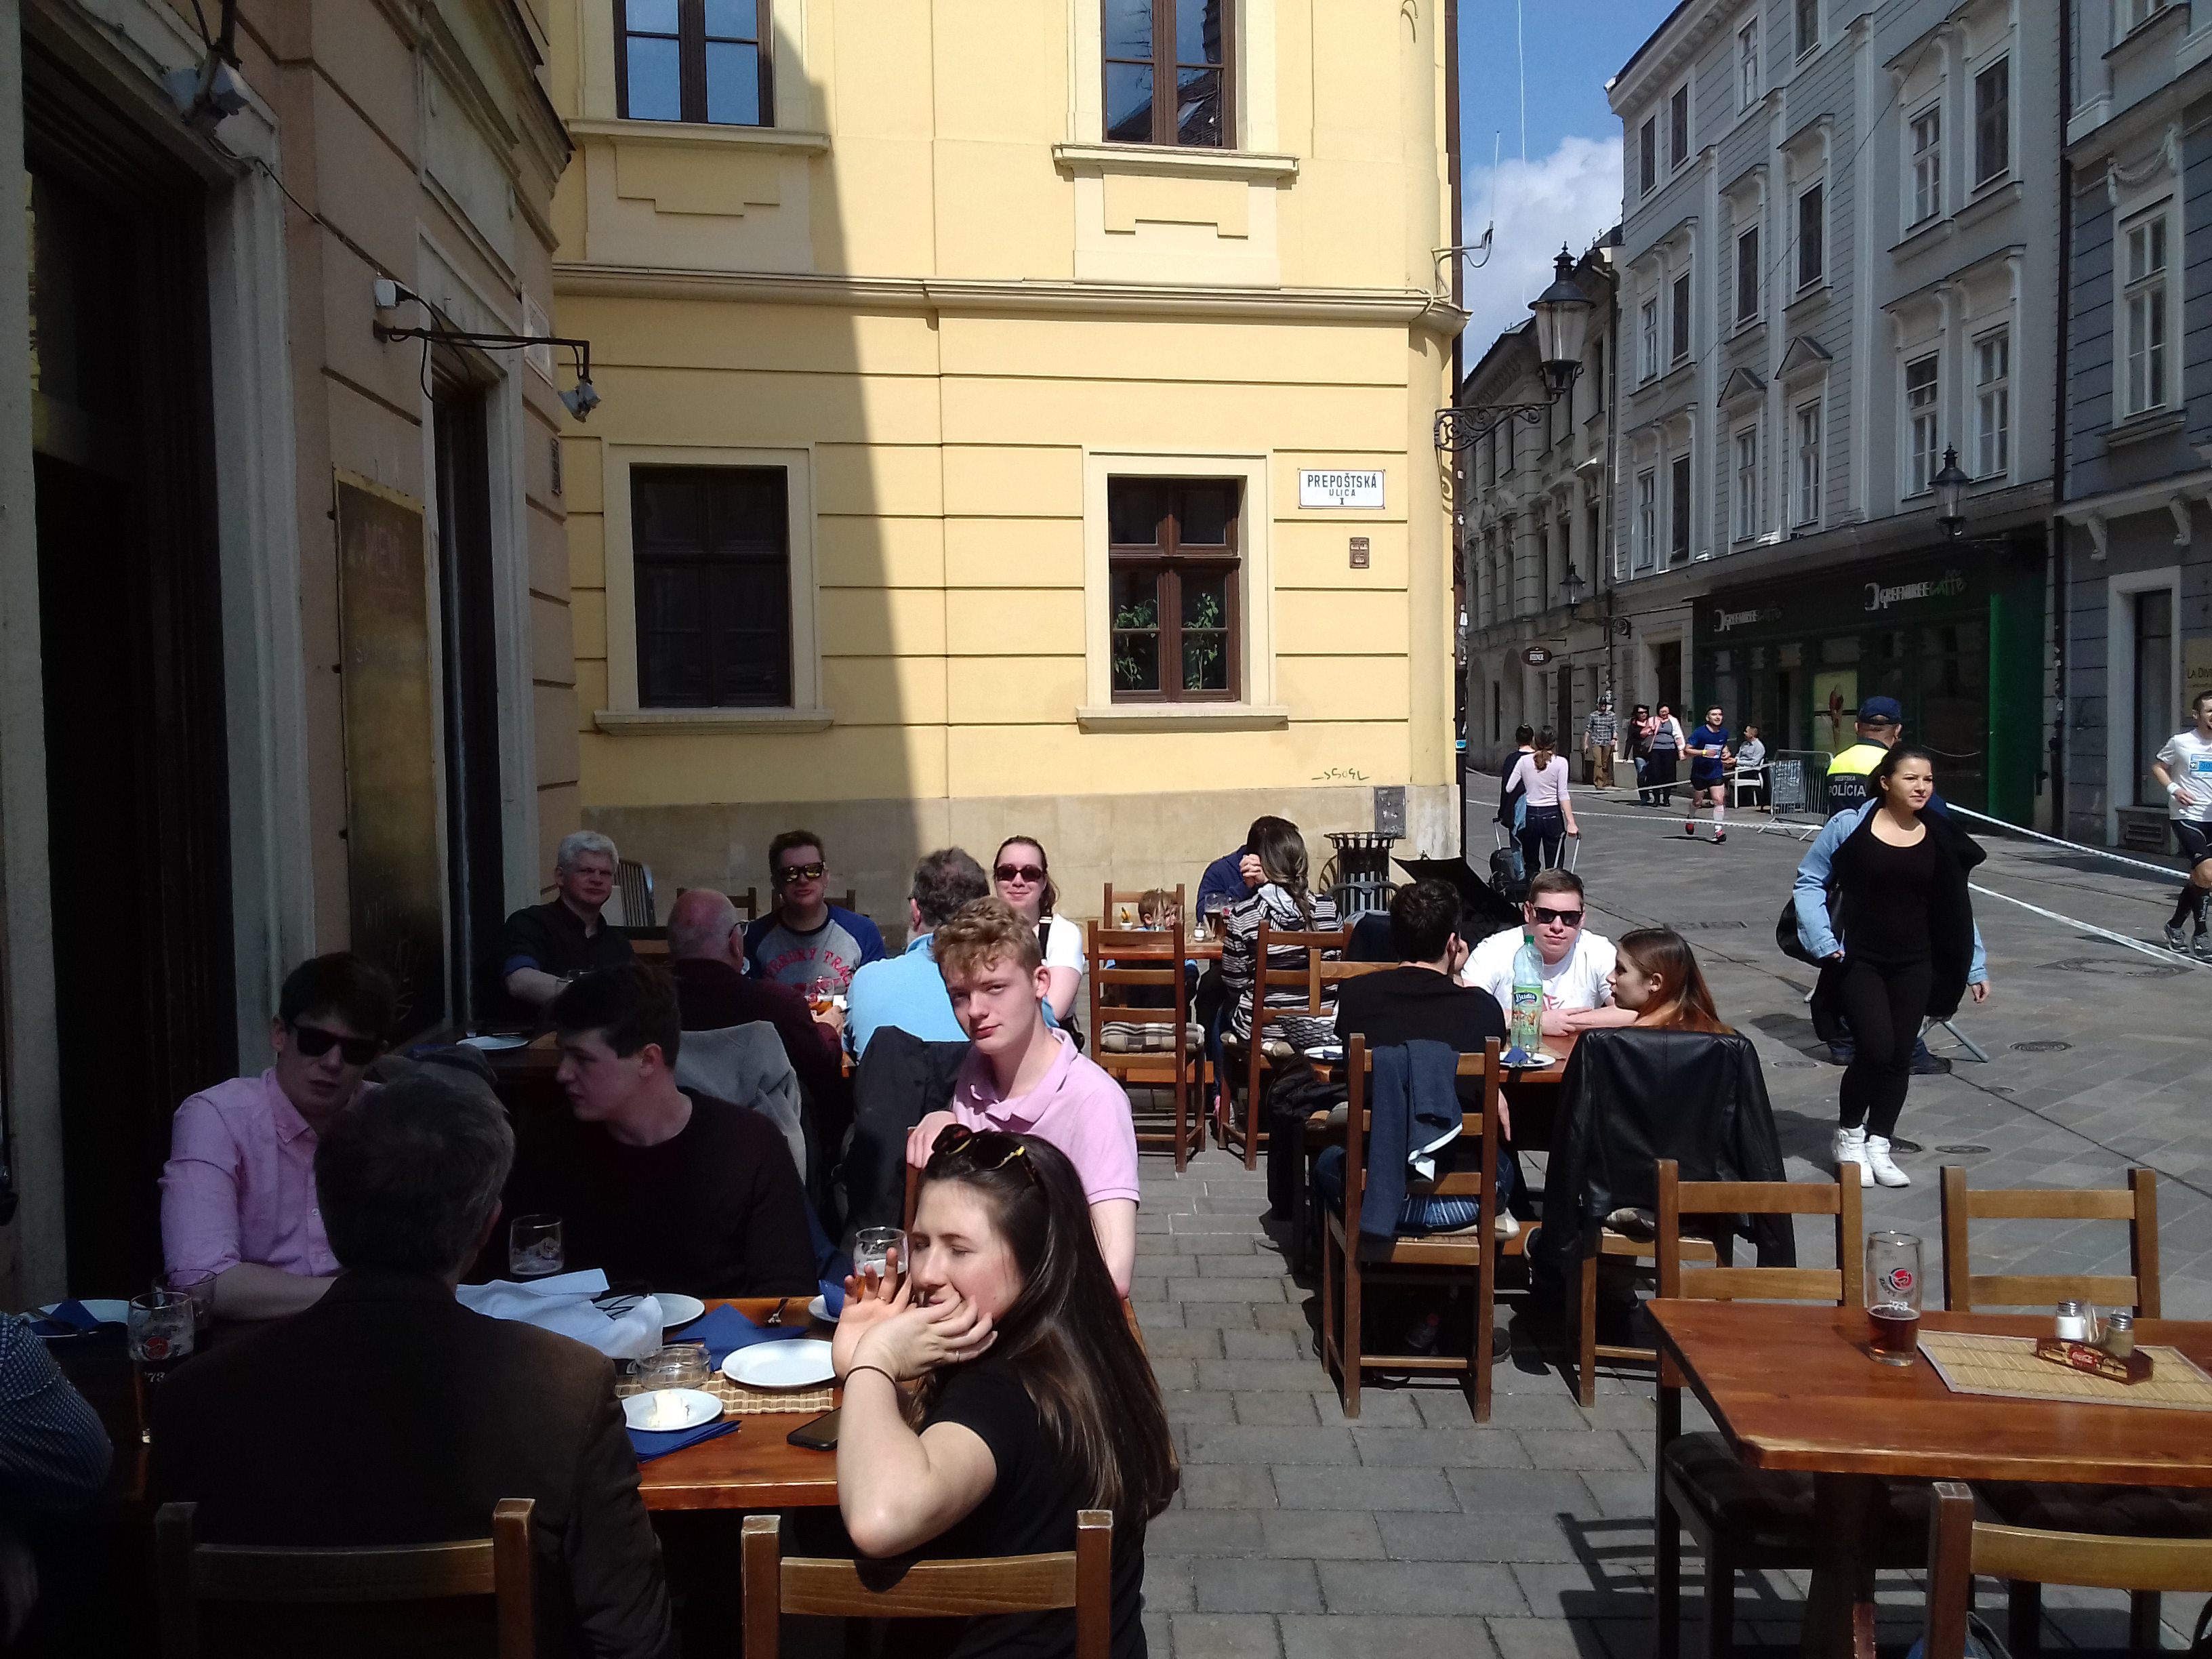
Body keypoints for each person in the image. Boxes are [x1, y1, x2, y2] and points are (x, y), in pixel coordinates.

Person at [154, 1074, 676, 1659]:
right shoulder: (564, 1389)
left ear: (327, 1212)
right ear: (485, 1228)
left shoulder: (195, 1397)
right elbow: (632, 1639)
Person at [831, 1128, 1174, 1659]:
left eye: (959, 1250)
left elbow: (880, 1519)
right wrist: (868, 1366)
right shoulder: (1084, 1347)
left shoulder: (1002, 1392)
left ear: (1033, 1257)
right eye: (921, 1243)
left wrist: (875, 1361)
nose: (927, 1273)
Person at [508, 964, 815, 1296]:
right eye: (563, 1055)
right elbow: (510, 1284)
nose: (563, 1074)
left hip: (721, 1341)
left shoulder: (749, 1146)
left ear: (648, 1060)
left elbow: (788, 1292)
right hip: (578, 1344)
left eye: (582, 1059)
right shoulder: (546, 1147)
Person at [901, 900, 1140, 1295]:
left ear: (1040, 982)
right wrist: (943, 1120)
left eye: (995, 988)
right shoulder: (975, 1070)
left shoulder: (1094, 1100)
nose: (976, 1011)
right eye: (959, 995)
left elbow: (1113, 1271)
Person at [1793, 747, 1991, 1189]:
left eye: (1929, 780)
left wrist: (1974, 965)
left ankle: (1879, 1142)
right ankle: (1848, 1136)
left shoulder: (1938, 834)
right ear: (1886, 782)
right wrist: (1822, 939)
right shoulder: (1849, 826)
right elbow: (1809, 880)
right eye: (1911, 778)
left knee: (1901, 1056)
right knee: (1875, 1050)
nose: (1921, 787)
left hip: (1915, 961)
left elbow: (1956, 907)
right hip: (1858, 958)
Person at [161, 954, 396, 1321]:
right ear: (280, 1034)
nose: (333, 1062)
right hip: (252, 1343)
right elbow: (200, 1281)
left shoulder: (392, 1119)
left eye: (355, 1050)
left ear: (376, 1056)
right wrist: (361, 1294)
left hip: (370, 1332)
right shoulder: (217, 1116)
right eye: (317, 1041)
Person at [1318, 878, 1518, 1254]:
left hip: (1374, 1193)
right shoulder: (1482, 1008)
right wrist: (1456, 973)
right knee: (1505, 1163)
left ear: (1395, 938)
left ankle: (1348, 1277)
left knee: (1326, 1161)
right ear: (1453, 943)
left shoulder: (1357, 995)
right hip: (1466, 1198)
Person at [665, 886, 844, 1113]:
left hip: (669, 1134)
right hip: (763, 1137)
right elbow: (822, 1069)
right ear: (734, 942)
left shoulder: (645, 1003)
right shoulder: (777, 1004)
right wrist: (829, 1029)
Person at [845, 848, 992, 1059]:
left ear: (916, 912)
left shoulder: (866, 981)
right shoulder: (1014, 982)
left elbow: (849, 1048)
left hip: (891, 1090)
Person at [1460, 869, 1637, 1037]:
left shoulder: (1598, 950)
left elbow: (1632, 1012)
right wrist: (1535, 1021)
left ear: (1582, 918)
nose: (1557, 927)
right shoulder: (1495, 949)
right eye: (1546, 915)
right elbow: (1466, 1009)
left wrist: (1563, 1021)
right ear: (1528, 912)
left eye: (1570, 917)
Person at [1221, 817, 1343, 1053]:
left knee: (1221, 1005)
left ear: (1264, 864)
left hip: (1265, 1029)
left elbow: (1234, 982)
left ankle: (1224, 1087)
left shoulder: (1246, 914)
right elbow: (1338, 969)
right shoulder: (1329, 909)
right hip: (1321, 1027)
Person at [502, 830, 635, 1016]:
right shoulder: (530, 923)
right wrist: (597, 997)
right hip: (537, 1041)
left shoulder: (619, 945)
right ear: (560, 877)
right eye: (586, 871)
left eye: (605, 873)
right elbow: (520, 981)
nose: (597, 879)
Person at [745, 830, 886, 996]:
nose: (803, 880)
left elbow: (878, 999)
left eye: (813, 870)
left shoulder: (863, 932)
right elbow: (750, 1005)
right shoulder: (754, 938)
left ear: (826, 877)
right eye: (790, 873)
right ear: (776, 882)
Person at [991, 836, 1084, 1024]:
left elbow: (1053, 1011)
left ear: (1043, 882)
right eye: (1007, 873)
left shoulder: (1063, 934)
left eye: (1030, 873)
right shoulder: (981, 932)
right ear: (995, 879)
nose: (1018, 881)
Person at [2152, 690, 2212, 960]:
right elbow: (2158, 767)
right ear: (2197, 715)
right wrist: (2175, 789)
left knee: (2200, 878)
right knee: (2208, 874)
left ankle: (2175, 926)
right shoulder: (2181, 742)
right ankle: (2201, 934)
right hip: (2188, 817)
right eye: (2209, 711)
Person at [1605, 929, 1731, 1032]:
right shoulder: (1729, 1039)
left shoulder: (1617, 1045)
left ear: (1655, 983)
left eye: (1621, 970)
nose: (1610, 978)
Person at [1505, 729, 1578, 875]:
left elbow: (1509, 788)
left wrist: (1529, 784)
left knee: (1531, 865)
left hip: (1530, 814)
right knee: (1555, 864)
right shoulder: (1561, 762)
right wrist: (1571, 822)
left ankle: (1533, 892)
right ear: (1554, 743)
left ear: (1535, 741)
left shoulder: (1524, 761)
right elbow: (1563, 793)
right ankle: (1554, 893)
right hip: (1552, 815)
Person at [1823, 696, 1906, 814]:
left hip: (1841, 832)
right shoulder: (1895, 764)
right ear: (1898, 730)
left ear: (1857, 727)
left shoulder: (1838, 760)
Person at [1685, 705, 1733, 843]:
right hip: (1700, 773)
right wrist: (1704, 752)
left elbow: (1723, 745)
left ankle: (1718, 831)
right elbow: (1687, 750)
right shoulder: (1700, 732)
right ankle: (1691, 818)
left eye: (1720, 714)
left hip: (1716, 771)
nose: (1718, 717)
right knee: (1698, 802)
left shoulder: (1724, 733)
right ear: (1708, 718)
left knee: (1718, 800)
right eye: (1714, 715)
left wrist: (1726, 753)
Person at [1496, 724, 1536, 877]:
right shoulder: (1539, 758)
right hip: (1536, 807)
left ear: (1516, 740)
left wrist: (1502, 811)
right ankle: (1533, 874)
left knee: (1517, 846)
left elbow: (1506, 787)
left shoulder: (1511, 760)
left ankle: (1520, 877)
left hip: (1515, 808)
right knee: (1533, 845)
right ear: (1532, 739)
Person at [1643, 704, 1685, 808]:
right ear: (1658, 711)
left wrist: (1681, 751)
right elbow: (1643, 733)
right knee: (1655, 774)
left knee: (1668, 775)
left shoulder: (1673, 721)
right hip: (1655, 751)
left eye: (1666, 711)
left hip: (1669, 751)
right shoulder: (1652, 720)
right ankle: (1656, 799)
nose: (1664, 713)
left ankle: (1666, 799)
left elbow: (1678, 735)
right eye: (1662, 711)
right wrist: (1650, 730)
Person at [1733, 724, 1769, 812]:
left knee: (1725, 776)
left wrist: (1737, 762)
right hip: (1738, 767)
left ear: (1752, 734)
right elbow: (1738, 755)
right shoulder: (1744, 744)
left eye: (1746, 731)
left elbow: (1754, 763)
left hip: (1751, 770)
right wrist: (1735, 761)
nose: (1744, 733)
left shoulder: (1759, 747)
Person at [1584, 696, 1617, 789]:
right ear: (1598, 705)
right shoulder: (1593, 715)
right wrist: (1586, 744)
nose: (1603, 706)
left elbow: (1615, 728)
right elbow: (1588, 730)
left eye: (1605, 704)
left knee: (1605, 763)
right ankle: (1599, 783)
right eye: (1601, 704)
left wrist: (1614, 739)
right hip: (1597, 741)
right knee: (1598, 763)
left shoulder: (1611, 715)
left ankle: (1605, 781)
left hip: (1607, 741)